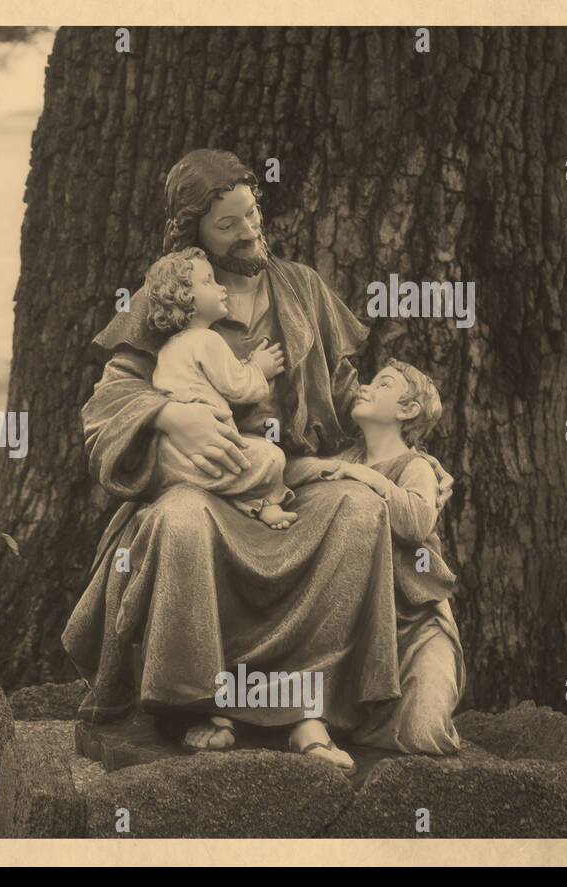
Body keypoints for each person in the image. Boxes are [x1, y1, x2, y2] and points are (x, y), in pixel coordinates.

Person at [61, 149, 454, 772]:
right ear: (195, 236)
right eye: (227, 224)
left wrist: (409, 456)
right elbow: (108, 402)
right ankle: (194, 704)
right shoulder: (169, 295)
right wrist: (166, 414)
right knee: (181, 523)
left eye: (252, 212)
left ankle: (308, 708)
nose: (248, 230)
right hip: (205, 483)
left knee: (356, 509)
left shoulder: (301, 289)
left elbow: (345, 392)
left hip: (289, 477)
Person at [286, 360, 464, 754]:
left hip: (413, 623)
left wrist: (373, 479)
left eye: (382, 384)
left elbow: (416, 521)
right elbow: (291, 473)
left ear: (408, 410)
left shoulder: (415, 466)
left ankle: (363, 721)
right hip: (358, 621)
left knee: (424, 733)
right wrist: (334, 468)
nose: (364, 388)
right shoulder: (346, 458)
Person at [145, 246, 297, 529]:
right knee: (271, 457)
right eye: (209, 281)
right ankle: (268, 504)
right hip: (209, 449)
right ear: (184, 296)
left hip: (170, 457)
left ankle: (237, 502)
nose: (221, 287)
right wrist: (260, 368)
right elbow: (239, 388)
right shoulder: (207, 340)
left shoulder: (168, 348)